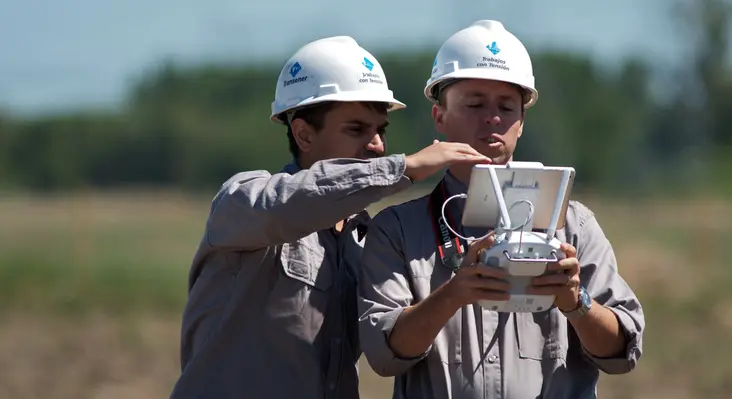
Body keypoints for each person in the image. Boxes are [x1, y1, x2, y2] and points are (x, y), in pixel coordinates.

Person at [169, 36, 493, 399]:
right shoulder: (243, 201)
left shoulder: (365, 237)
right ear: (304, 134)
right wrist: (405, 168)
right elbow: (294, 201)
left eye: (380, 130)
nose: (377, 145)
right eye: (356, 129)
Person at [358, 20, 645, 398]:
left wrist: (576, 303)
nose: (492, 118)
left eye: (507, 106)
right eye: (474, 104)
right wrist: (455, 293)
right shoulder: (397, 229)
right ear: (439, 116)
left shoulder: (572, 224)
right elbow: (384, 355)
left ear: (522, 123)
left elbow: (621, 352)